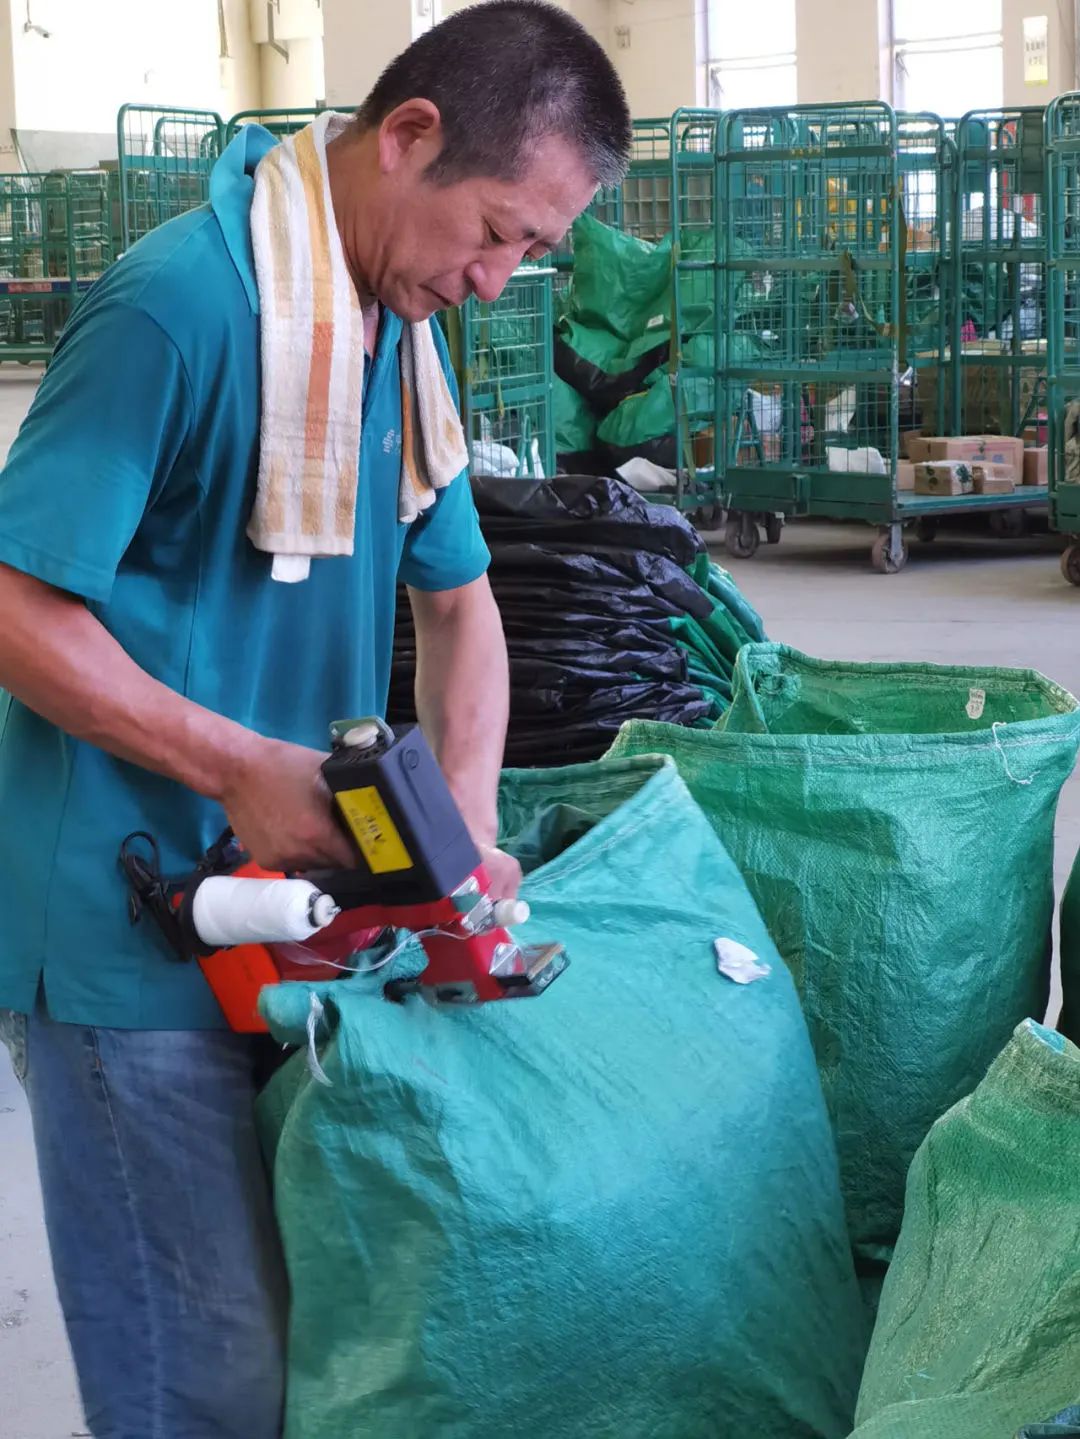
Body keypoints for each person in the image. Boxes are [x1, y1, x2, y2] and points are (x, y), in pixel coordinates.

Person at [0, 3, 630, 1434]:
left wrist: (464, 835)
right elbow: (15, 608)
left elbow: (461, 608)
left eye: (530, 254)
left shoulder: (389, 331)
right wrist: (238, 768)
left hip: (298, 917)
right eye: (496, 232)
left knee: (314, 1333)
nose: (494, 281)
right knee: (203, 1374)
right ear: (408, 136)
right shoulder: (181, 309)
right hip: (131, 928)